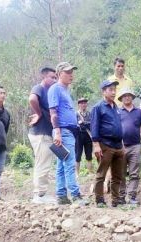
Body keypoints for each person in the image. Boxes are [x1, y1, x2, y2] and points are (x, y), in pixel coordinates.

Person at [48, 62, 87, 206]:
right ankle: (76, 196)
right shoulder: (55, 89)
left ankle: (61, 196)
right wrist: (57, 132)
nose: (71, 75)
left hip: (69, 131)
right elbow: (53, 112)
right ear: (59, 74)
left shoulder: (66, 90)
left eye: (72, 72)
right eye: (67, 72)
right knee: (70, 164)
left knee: (61, 164)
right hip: (63, 131)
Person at [90, 80, 125, 207]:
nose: (113, 92)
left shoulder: (116, 107)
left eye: (114, 89)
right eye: (110, 89)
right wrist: (96, 145)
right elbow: (94, 127)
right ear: (104, 91)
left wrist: (122, 145)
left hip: (118, 146)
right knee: (101, 174)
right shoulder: (98, 107)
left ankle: (116, 200)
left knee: (117, 175)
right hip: (105, 145)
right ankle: (99, 200)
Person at [28, 67, 58, 203]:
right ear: (44, 77)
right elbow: (32, 99)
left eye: (55, 77)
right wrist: (39, 114)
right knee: (42, 163)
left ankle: (41, 193)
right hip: (41, 133)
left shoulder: (50, 92)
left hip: (46, 133)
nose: (54, 80)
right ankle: (39, 195)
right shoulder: (39, 88)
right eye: (52, 77)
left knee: (45, 163)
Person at [117, 88, 141, 205]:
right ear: (121, 98)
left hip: (135, 146)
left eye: (129, 95)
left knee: (134, 173)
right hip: (121, 146)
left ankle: (131, 197)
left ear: (132, 97)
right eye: (124, 95)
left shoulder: (139, 112)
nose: (127, 97)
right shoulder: (117, 112)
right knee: (120, 173)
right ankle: (121, 197)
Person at [75, 97, 94, 175]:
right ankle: (77, 173)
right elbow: (75, 124)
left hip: (88, 135)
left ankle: (90, 172)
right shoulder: (75, 114)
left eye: (84, 103)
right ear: (79, 105)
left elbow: (91, 124)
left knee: (89, 154)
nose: (83, 104)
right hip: (78, 136)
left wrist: (84, 123)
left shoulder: (90, 114)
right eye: (81, 103)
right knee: (77, 155)